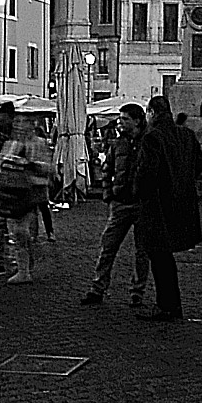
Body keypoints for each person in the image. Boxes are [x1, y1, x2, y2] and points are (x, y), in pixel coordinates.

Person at [134, 95, 202, 320]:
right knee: (165, 256)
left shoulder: (153, 137)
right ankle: (171, 304)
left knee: (159, 256)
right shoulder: (187, 135)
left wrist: (138, 192)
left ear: (152, 113)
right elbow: (201, 164)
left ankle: (167, 305)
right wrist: (183, 180)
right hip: (182, 202)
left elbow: (147, 172)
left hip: (158, 205)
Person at [80, 105, 150, 306]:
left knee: (142, 251)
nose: (120, 122)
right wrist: (108, 194)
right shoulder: (119, 143)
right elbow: (107, 168)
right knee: (107, 247)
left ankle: (137, 292)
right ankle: (97, 288)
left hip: (141, 203)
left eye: (125, 119)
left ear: (137, 121)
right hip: (120, 202)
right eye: (120, 119)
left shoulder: (148, 142)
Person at [0, 102, 54, 284]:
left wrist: (29, 165)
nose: (18, 125)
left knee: (19, 231)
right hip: (9, 192)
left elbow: (48, 169)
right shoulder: (11, 142)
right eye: (17, 121)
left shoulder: (37, 143)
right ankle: (22, 267)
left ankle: (24, 270)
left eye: (22, 121)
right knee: (13, 231)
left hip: (26, 193)